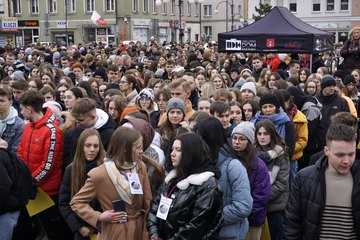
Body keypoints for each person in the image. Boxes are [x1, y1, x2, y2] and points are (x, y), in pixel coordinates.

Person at [70, 127, 152, 240]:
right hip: (115, 232)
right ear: (125, 149)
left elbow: (148, 202)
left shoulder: (140, 167)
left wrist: (150, 230)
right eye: (138, 147)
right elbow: (76, 202)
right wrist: (99, 216)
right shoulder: (99, 174)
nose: (141, 151)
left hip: (140, 230)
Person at [283, 124, 360, 239]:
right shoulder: (303, 179)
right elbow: (292, 223)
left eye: (351, 154)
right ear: (326, 151)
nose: (346, 161)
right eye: (340, 155)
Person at [16, 90, 72, 240]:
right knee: (25, 228)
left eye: (21, 109)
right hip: (30, 188)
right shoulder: (28, 127)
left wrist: (30, 182)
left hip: (47, 192)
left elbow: (49, 165)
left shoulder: (52, 131)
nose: (20, 112)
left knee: (53, 231)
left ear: (29, 109)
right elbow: (20, 153)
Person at [147, 133, 223, 240]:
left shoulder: (207, 185)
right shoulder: (171, 178)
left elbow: (197, 226)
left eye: (178, 150)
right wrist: (154, 234)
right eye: (172, 149)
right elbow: (155, 208)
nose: (172, 154)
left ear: (192, 153)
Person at [195, 117, 253, 240]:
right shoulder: (198, 163)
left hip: (227, 234)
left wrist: (208, 218)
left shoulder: (233, 166)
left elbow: (243, 206)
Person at [59, 129, 105, 240]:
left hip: (104, 228)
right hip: (82, 230)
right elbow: (64, 202)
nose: (92, 150)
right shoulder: (72, 169)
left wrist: (101, 228)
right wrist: (78, 227)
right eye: (88, 145)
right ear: (81, 147)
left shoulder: (106, 168)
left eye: (95, 146)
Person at [231, 122, 270, 240]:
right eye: (234, 138)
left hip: (252, 219)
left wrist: (247, 214)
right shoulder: (228, 160)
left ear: (249, 141)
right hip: (233, 218)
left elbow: (261, 196)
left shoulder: (258, 165)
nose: (237, 142)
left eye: (242, 139)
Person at [254, 119, 289, 240]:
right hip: (255, 205)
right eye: (259, 134)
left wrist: (262, 197)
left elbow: (281, 183)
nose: (262, 137)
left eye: (266, 133)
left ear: (272, 134)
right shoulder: (251, 154)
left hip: (274, 205)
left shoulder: (281, 154)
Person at [63, 97, 116, 170]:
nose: (78, 124)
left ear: (93, 117)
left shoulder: (109, 134)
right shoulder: (76, 128)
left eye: (81, 120)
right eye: (76, 121)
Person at [0, 88, 24, 154]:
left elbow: (16, 151)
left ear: (10, 102)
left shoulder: (19, 124)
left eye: (2, 101)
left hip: (6, 161)